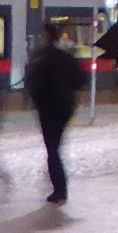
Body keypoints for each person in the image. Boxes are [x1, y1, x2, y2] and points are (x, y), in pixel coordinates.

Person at [25, 23, 83, 204]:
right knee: (55, 147)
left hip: (49, 109)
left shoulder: (40, 58)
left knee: (52, 149)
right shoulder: (66, 57)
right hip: (65, 107)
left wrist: (37, 100)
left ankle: (59, 189)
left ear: (46, 36)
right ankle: (59, 187)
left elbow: (33, 84)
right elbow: (81, 80)